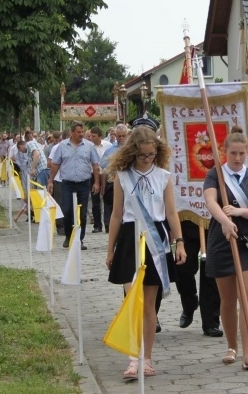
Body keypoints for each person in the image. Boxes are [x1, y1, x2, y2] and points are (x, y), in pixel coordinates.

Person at [105, 126, 187, 380]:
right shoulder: (122, 176)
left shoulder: (163, 176)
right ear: (132, 152)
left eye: (151, 154)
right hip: (131, 239)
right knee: (133, 300)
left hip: (156, 239)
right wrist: (110, 248)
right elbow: (117, 214)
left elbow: (172, 212)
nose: (147, 158)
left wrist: (180, 242)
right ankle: (133, 359)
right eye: (142, 155)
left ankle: (147, 359)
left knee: (149, 305)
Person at [204, 126, 248, 370]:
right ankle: (232, 345)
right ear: (224, 151)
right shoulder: (215, 174)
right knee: (228, 298)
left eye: (242, 153)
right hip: (222, 238)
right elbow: (210, 200)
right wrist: (225, 221)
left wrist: (239, 212)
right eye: (233, 154)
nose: (238, 158)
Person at [47, 122, 101, 250]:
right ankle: (68, 236)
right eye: (78, 132)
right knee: (67, 211)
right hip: (67, 183)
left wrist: (97, 182)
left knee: (82, 213)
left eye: (82, 132)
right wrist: (50, 181)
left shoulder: (89, 146)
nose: (81, 134)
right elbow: (55, 164)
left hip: (83, 183)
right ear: (71, 132)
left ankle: (79, 239)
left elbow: (95, 165)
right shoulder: (62, 146)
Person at [88, 126, 113, 233]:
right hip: (94, 174)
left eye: (94, 136)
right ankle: (97, 225)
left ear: (100, 136)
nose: (92, 138)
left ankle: (108, 223)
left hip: (107, 173)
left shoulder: (108, 146)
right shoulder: (89, 146)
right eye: (90, 136)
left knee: (108, 198)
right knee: (95, 200)